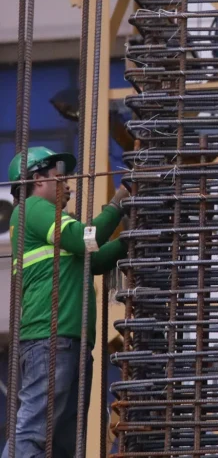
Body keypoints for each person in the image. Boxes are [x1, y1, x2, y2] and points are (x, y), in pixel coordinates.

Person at [3, 147, 129, 458]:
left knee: (64, 442)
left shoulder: (55, 227)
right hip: (50, 336)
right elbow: (87, 238)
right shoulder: (31, 208)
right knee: (34, 432)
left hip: (68, 339)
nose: (68, 185)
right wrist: (118, 204)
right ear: (37, 180)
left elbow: (94, 259)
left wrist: (130, 240)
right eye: (60, 178)